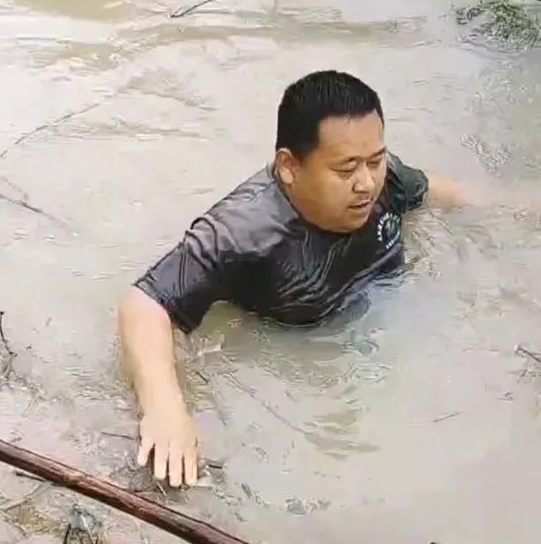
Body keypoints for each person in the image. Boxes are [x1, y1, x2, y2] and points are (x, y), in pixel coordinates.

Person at [118, 70, 465, 487]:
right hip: (320, 377)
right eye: (346, 169)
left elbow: (444, 196)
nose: (367, 183)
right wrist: (165, 408)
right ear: (288, 167)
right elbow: (145, 303)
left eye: (375, 160)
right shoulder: (243, 233)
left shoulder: (383, 177)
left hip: (393, 331)